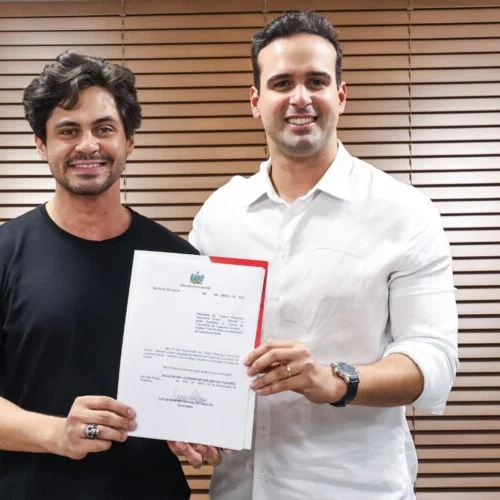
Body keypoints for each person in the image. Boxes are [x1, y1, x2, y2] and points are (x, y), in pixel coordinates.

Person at [187, 11, 460, 499]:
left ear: (341, 95)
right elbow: (194, 344)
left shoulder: (405, 211)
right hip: (239, 489)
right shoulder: (219, 214)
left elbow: (433, 361)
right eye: (281, 83)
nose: (300, 98)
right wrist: (183, 415)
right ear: (256, 102)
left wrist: (337, 380)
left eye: (316, 81)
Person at [0, 51, 205, 499]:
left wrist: (198, 428)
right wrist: (57, 433)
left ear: (129, 142)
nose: (87, 145)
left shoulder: (180, 260)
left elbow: (194, 387)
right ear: (41, 145)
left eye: (104, 129)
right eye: (68, 131)